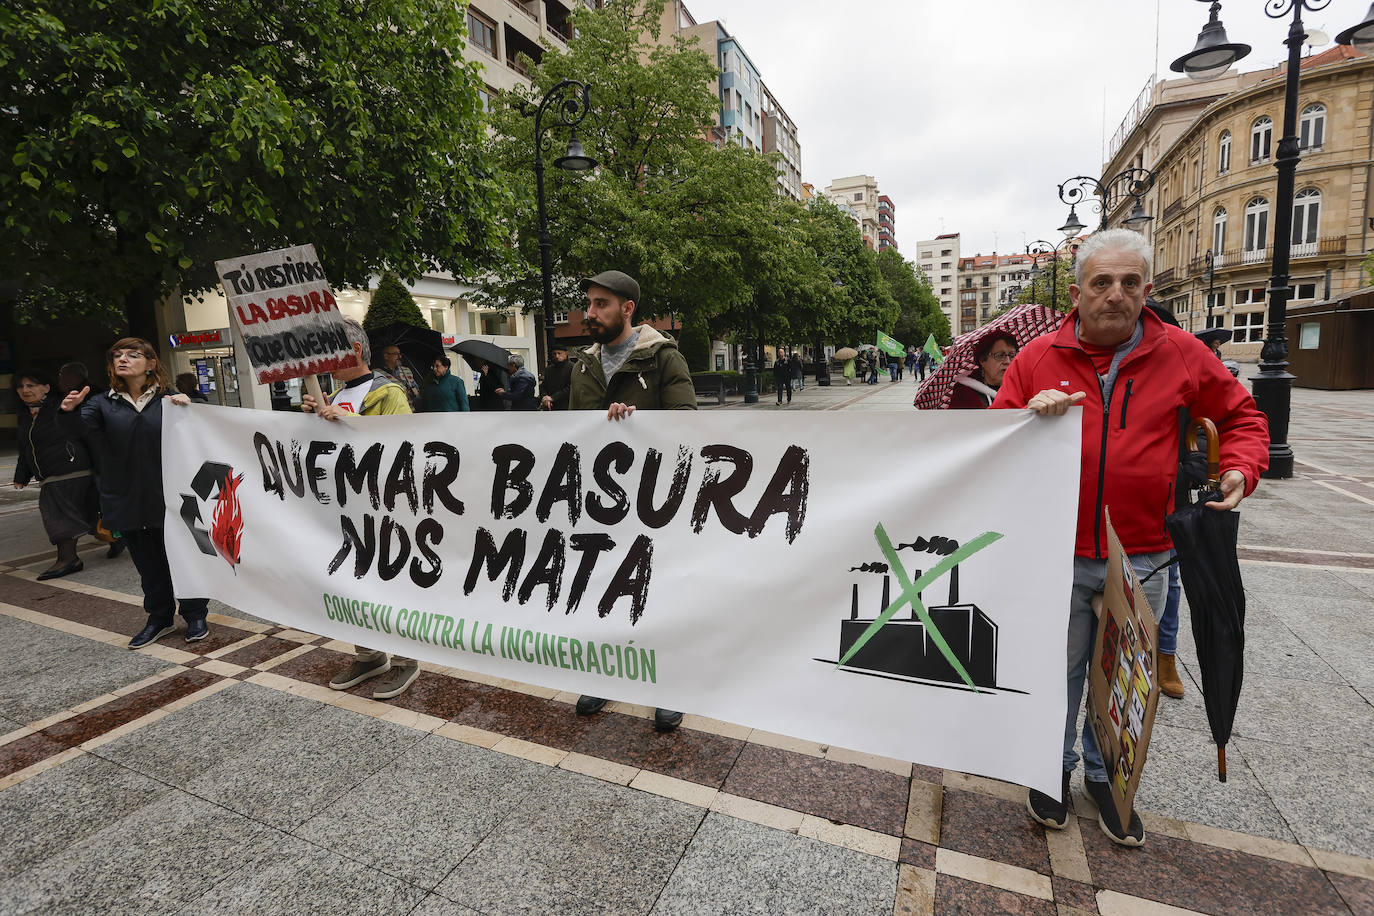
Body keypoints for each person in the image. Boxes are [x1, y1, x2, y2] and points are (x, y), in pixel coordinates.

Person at [994, 230, 1268, 847]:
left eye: (1129, 283)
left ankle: (1106, 779)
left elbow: (1243, 418)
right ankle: (1049, 773)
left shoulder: (1181, 353)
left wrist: (1240, 469)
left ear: (1146, 289)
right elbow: (992, 445)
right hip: (1058, 552)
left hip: (1145, 553)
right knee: (1059, 670)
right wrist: (1022, 420)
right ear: (1077, 292)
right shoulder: (1036, 358)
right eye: (1101, 283)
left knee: (1123, 676)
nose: (1115, 295)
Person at [568, 269, 695, 732]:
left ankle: (671, 682)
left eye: (601, 304)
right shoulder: (582, 365)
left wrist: (640, 423)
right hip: (599, 502)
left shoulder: (663, 359)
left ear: (627, 309)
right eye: (589, 304)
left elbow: (687, 425)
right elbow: (574, 431)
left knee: (658, 589)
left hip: (653, 500)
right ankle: (607, 672)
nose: (591, 313)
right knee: (605, 585)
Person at [59, 339, 210, 648]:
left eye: (133, 354)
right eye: (117, 355)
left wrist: (193, 408)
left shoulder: (171, 399)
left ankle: (196, 615)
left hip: (172, 498)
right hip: (126, 497)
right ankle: (159, 619)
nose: (123, 359)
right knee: (148, 565)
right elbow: (78, 434)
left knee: (185, 559)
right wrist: (69, 413)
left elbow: (202, 436)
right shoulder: (101, 403)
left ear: (151, 363)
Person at [301, 318, 419, 699]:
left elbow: (404, 448)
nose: (322, 358)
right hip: (345, 509)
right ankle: (368, 655)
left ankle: (405, 660)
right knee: (352, 585)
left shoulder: (389, 394)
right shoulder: (333, 396)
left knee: (392, 585)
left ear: (353, 350)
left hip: (385, 512)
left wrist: (352, 422)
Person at [13, 369, 98, 580]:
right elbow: (25, 448)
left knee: (57, 515)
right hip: (51, 475)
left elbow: (82, 431)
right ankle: (116, 537)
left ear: (47, 388)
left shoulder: (59, 407)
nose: (25, 390)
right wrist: (21, 476)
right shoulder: (25, 415)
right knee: (83, 514)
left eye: (31, 385)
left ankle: (68, 559)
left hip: (69, 470)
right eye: (21, 386)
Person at [949, 332, 1017, 409]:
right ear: (982, 360)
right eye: (1000, 355)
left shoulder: (1020, 389)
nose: (1007, 361)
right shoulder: (964, 394)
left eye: (1012, 355)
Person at [378, 344, 421, 408]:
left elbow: (416, 388)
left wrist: (414, 391)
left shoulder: (407, 370)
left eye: (399, 353)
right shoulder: (377, 373)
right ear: (386, 356)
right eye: (396, 354)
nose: (400, 356)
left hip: (411, 410)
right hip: (394, 412)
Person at [540, 344, 573, 410]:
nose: (557, 356)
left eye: (559, 353)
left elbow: (571, 387)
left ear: (566, 354)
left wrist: (553, 398)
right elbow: (544, 386)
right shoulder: (549, 369)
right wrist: (545, 397)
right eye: (554, 354)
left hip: (566, 405)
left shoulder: (572, 367)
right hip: (550, 405)